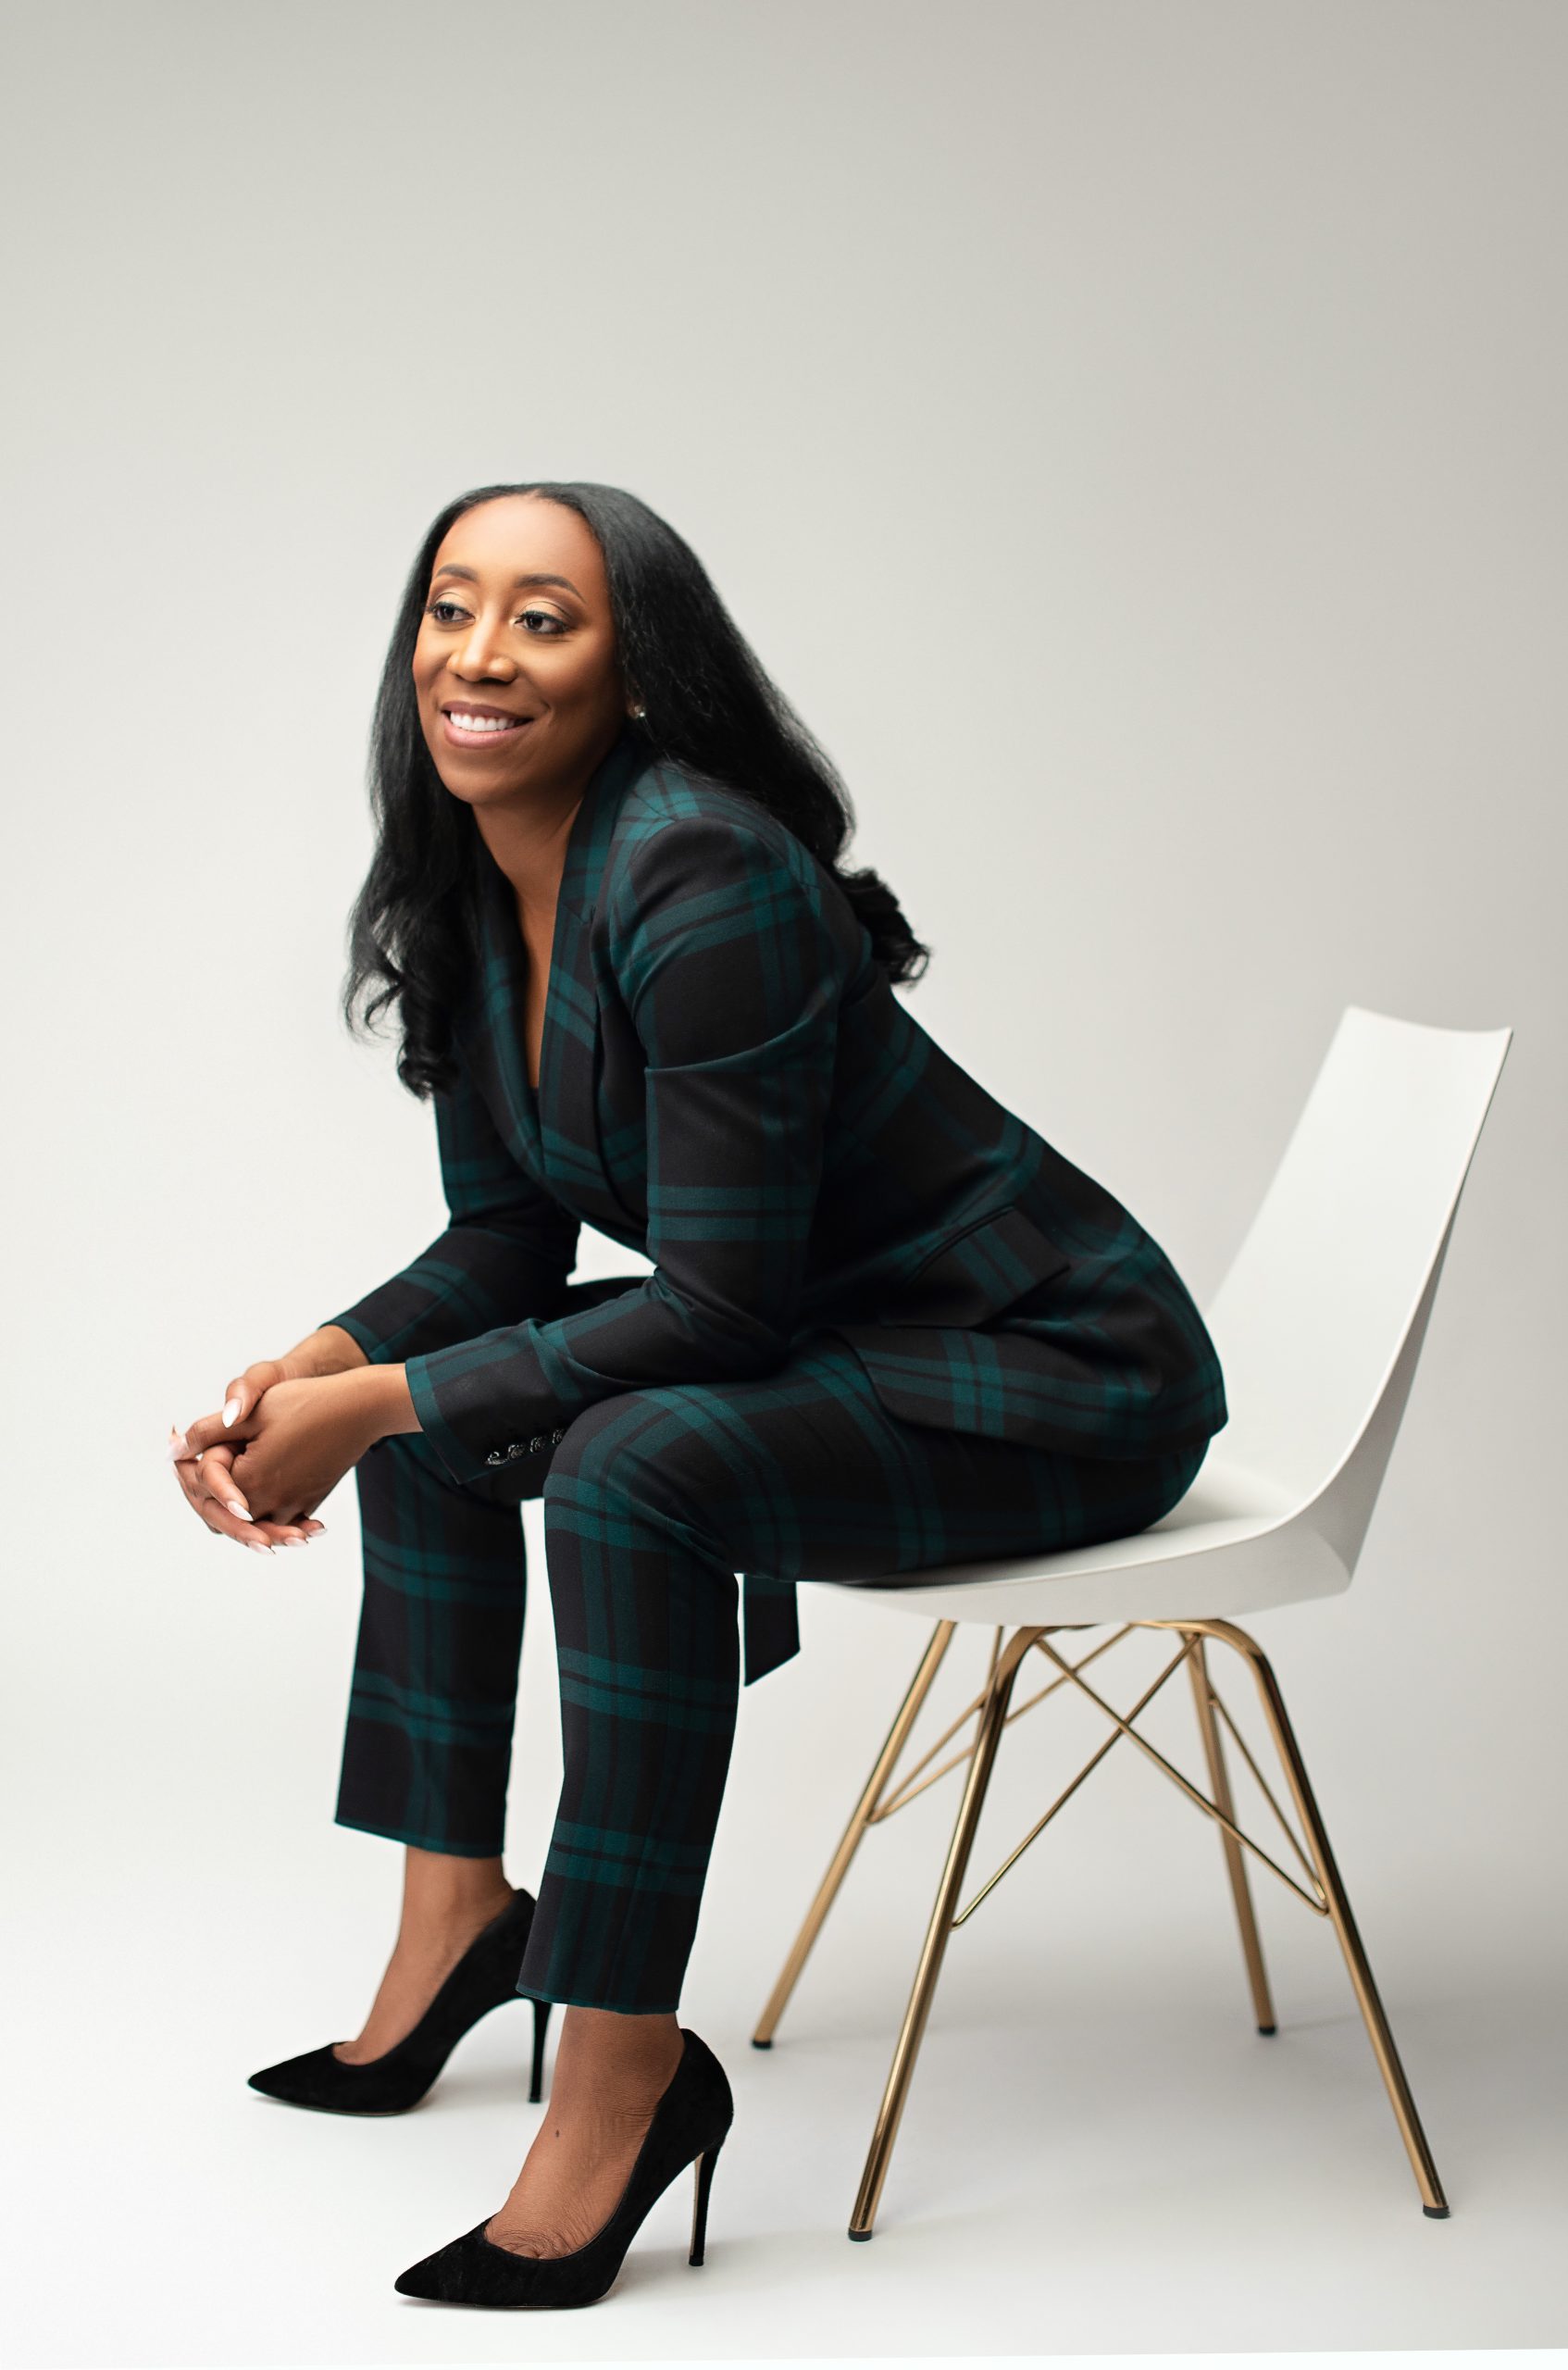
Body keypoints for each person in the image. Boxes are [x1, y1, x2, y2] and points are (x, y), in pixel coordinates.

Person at [168, 480, 1227, 2309]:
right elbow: (503, 1240)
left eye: (543, 617)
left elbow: (721, 1310)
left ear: (638, 671)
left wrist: (386, 1400)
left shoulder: (700, 870)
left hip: (1055, 1368)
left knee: (622, 1457)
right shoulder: (470, 881)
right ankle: (456, 1928)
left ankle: (623, 2070)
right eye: (450, 606)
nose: (479, 654)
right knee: (445, 1413)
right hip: (839, 1336)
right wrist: (320, 1370)